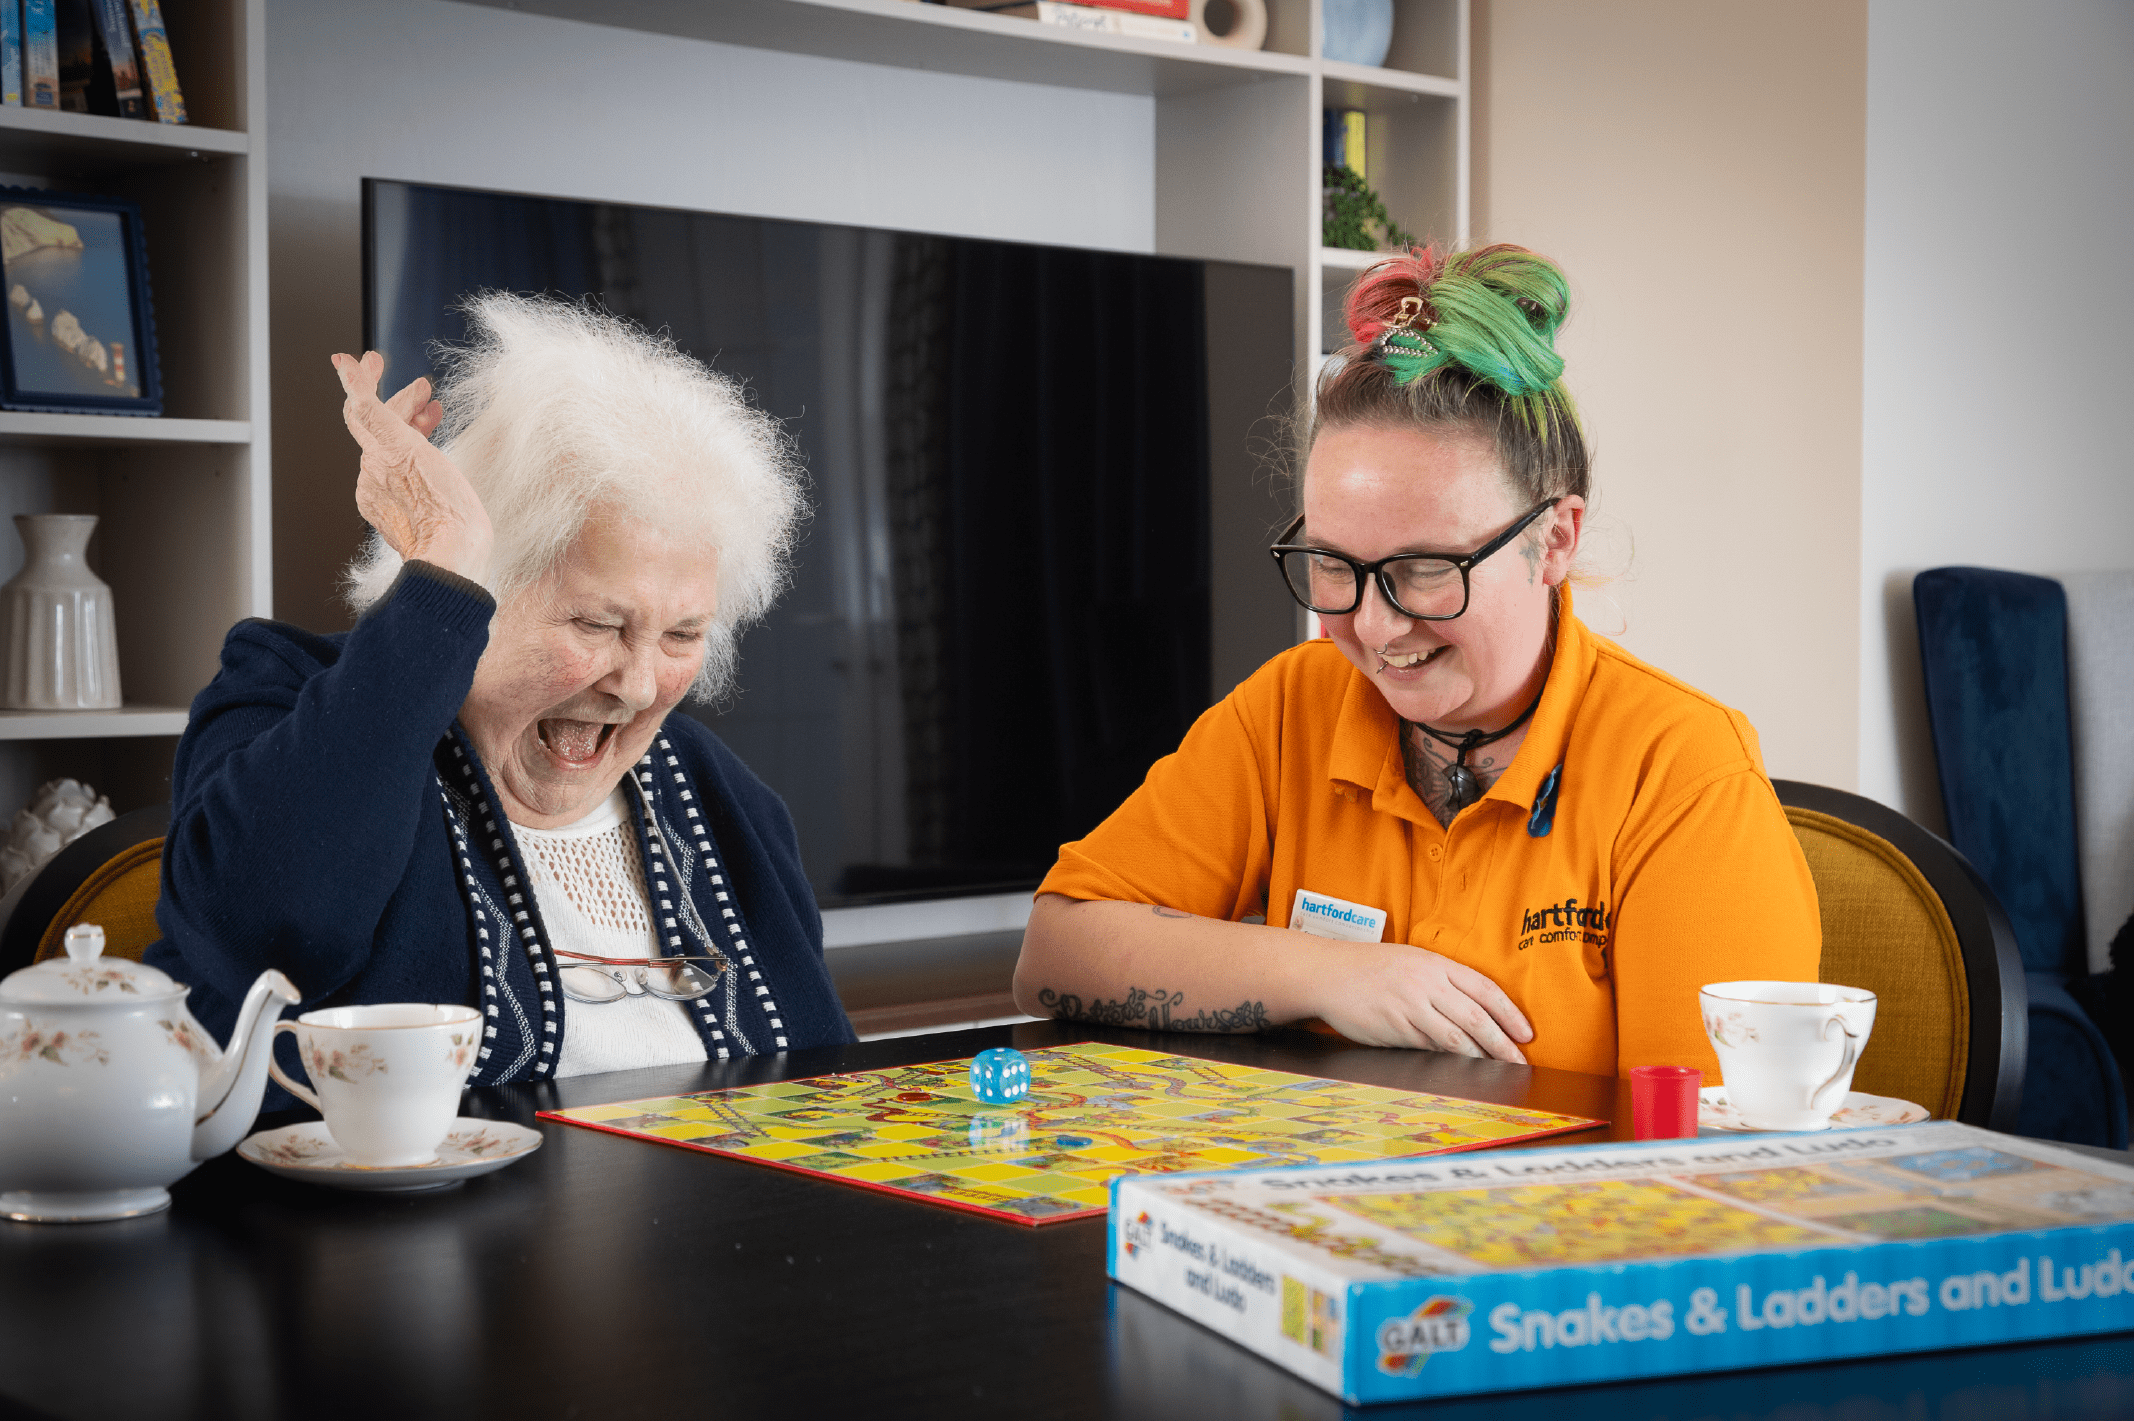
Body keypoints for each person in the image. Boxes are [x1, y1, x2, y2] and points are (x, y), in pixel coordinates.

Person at [1012, 243, 1819, 1079]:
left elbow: (1709, 1159)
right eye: (1333, 564)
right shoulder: (1293, 705)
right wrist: (1331, 974)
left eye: (1426, 568)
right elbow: (1056, 953)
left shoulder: (1681, 770)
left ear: (1556, 539)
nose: (1371, 623)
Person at [146, 295, 853, 1083]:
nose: (640, 682)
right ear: (470, 591)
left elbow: (823, 1091)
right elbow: (267, 937)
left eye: (683, 634)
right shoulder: (284, 691)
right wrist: (443, 556)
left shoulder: (717, 792)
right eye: (596, 623)